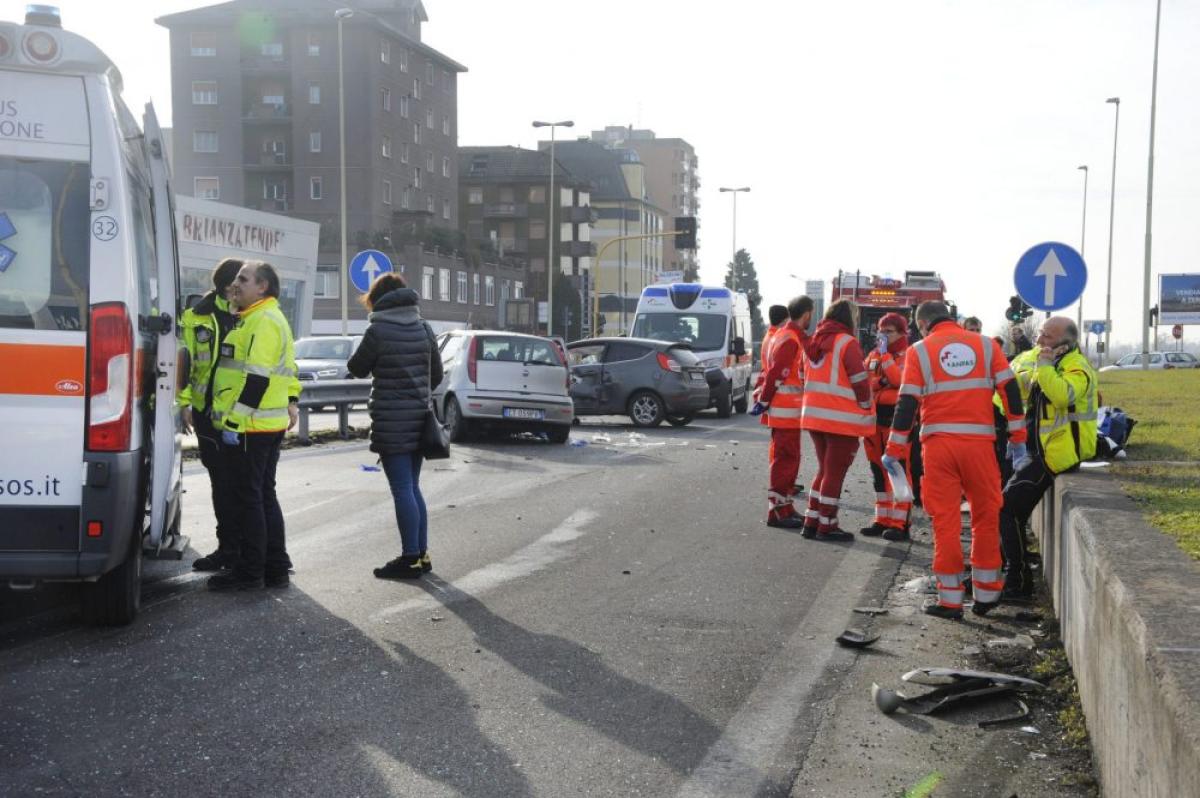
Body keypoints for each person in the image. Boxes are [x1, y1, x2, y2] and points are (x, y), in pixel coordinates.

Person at [884, 300, 1026, 619]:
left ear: (922, 324)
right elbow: (1011, 391)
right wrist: (1018, 438)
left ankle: (950, 601)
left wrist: (894, 449)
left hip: (938, 446)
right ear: (953, 318)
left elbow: (906, 404)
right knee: (986, 515)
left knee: (945, 521)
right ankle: (987, 595)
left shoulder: (919, 351)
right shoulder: (986, 346)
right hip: (980, 445)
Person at [207, 261, 301, 591]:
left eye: (243, 279)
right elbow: (288, 370)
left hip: (251, 426)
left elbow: (257, 379)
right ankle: (274, 567)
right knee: (263, 496)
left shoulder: (262, 321)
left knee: (249, 499)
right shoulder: (263, 317)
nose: (236, 283)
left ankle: (250, 572)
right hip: (264, 425)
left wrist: (233, 421)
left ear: (263, 287)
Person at [348, 273, 444, 579]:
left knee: (402, 489)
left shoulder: (378, 329)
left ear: (377, 299)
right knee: (413, 488)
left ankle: (410, 557)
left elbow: (357, 368)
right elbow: (437, 375)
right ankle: (422, 554)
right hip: (420, 419)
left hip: (391, 421)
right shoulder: (424, 327)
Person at [998, 317, 1097, 602]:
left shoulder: (1078, 367)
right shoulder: (1050, 364)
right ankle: (1001, 572)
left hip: (1057, 453)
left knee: (1007, 509)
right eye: (1041, 334)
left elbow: (1063, 396)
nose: (1040, 340)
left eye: (1047, 337)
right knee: (1007, 507)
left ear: (1066, 343)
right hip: (1038, 448)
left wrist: (1042, 366)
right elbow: (1024, 388)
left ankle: (1017, 582)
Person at [179, 258, 241, 571]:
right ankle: (228, 547)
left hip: (244, 415)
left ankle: (254, 550)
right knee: (221, 481)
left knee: (249, 484)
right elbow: (184, 365)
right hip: (206, 414)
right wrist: (185, 403)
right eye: (237, 283)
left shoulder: (255, 316)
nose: (240, 289)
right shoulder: (194, 318)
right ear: (226, 286)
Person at [798, 299, 874, 541]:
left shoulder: (812, 342)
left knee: (824, 470)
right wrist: (865, 404)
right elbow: (859, 380)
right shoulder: (846, 343)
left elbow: (802, 376)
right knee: (834, 473)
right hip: (840, 419)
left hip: (814, 416)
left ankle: (811, 520)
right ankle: (827, 524)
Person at [751, 295, 814, 528]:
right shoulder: (790, 339)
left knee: (786, 459)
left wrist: (763, 399)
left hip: (784, 409)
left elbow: (771, 373)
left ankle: (784, 507)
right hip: (786, 410)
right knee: (785, 459)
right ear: (806, 313)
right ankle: (778, 510)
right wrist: (765, 399)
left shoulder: (780, 335)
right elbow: (778, 373)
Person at [860, 312, 912, 541]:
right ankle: (881, 519)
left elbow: (900, 381)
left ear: (902, 333)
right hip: (874, 419)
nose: (883, 335)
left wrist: (886, 359)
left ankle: (900, 523)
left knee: (898, 469)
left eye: (889, 331)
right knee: (877, 471)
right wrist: (881, 382)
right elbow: (864, 383)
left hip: (896, 418)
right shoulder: (872, 355)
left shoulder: (909, 355)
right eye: (881, 330)